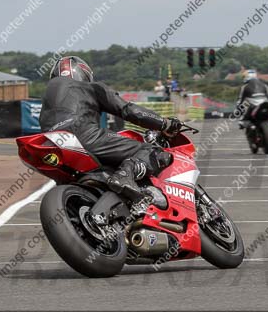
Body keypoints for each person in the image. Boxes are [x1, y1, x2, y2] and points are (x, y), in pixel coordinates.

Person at [39, 56, 182, 210]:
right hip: (84, 136)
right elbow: (129, 111)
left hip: (51, 145)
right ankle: (125, 176)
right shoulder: (91, 87)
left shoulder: (47, 100)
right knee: (150, 151)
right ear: (82, 73)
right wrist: (164, 123)